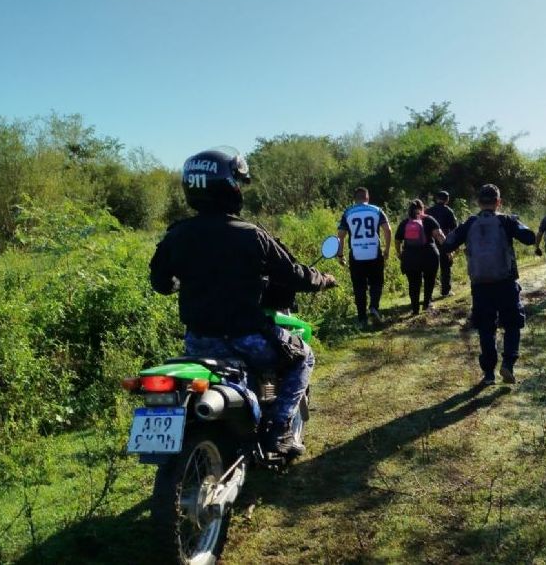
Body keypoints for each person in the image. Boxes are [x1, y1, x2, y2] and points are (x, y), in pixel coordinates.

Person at [149, 147, 336, 456]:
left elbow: (161, 283)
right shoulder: (251, 235)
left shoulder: (177, 235)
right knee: (304, 358)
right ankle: (280, 430)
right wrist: (323, 279)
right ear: (230, 186)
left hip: (199, 343)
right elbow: (292, 275)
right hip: (246, 338)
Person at [443, 184, 536, 385]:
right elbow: (530, 238)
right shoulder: (505, 220)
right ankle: (508, 364)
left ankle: (488, 374)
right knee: (512, 324)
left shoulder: (470, 223)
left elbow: (447, 245)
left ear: (478, 202)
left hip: (480, 285)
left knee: (486, 328)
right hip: (505, 282)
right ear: (498, 202)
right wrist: (515, 220)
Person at [337, 187, 392, 327]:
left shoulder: (348, 212)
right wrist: (386, 250)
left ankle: (362, 318)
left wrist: (340, 255)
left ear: (355, 199)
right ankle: (374, 307)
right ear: (367, 198)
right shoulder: (377, 210)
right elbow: (388, 229)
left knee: (359, 287)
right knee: (376, 282)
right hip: (374, 253)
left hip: (356, 255)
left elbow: (341, 236)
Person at [395, 199, 446, 315]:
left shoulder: (405, 223)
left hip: (410, 256)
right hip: (429, 255)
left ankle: (415, 308)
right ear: (423, 209)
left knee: (413, 283)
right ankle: (426, 304)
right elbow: (440, 236)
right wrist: (448, 250)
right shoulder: (429, 220)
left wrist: (399, 254)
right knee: (429, 280)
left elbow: (397, 240)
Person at [426, 190, 459, 297]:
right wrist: (455, 245)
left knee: (430, 267)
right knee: (446, 266)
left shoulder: (429, 211)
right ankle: (446, 291)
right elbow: (455, 229)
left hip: (430, 241)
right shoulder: (448, 211)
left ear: (436, 199)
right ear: (447, 200)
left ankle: (428, 294)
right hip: (445, 241)